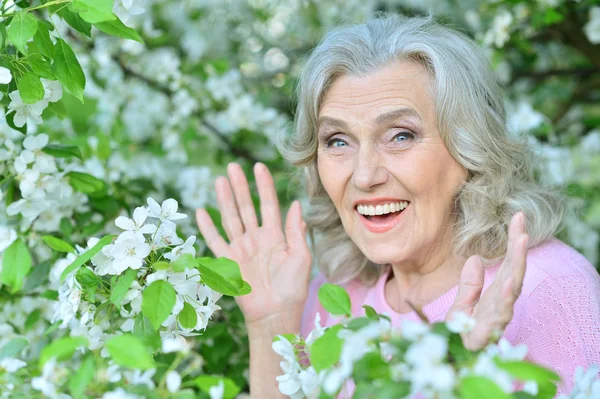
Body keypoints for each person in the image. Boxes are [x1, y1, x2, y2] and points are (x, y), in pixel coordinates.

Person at [195, 14, 600, 398]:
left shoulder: (550, 289)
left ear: (469, 148)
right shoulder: (331, 296)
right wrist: (270, 326)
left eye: (401, 136)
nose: (364, 175)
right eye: (338, 141)